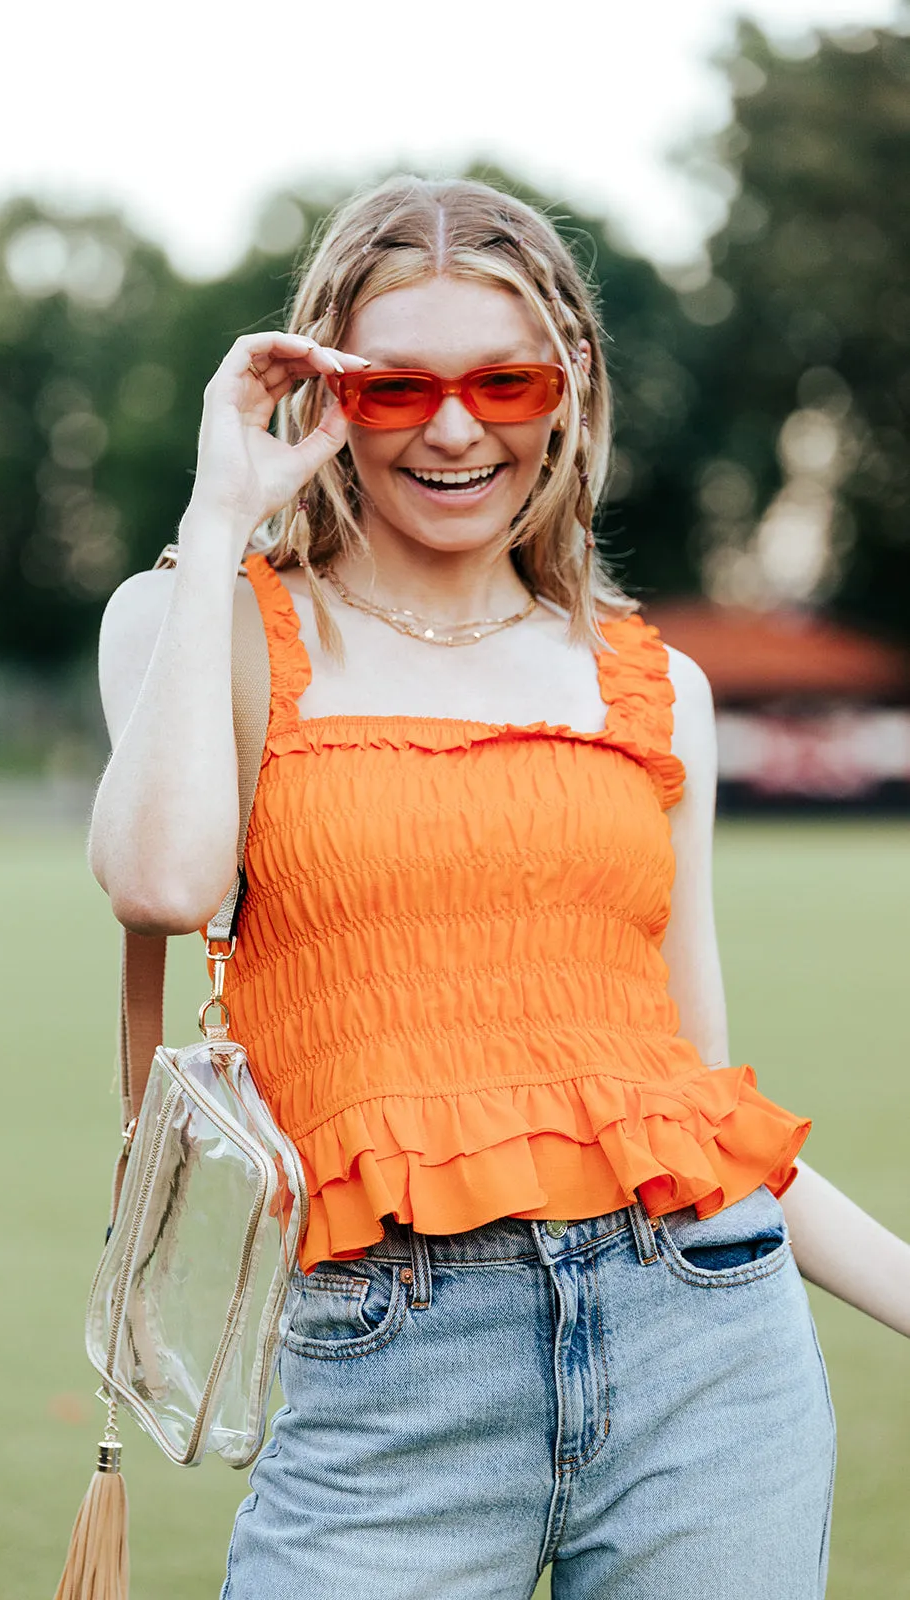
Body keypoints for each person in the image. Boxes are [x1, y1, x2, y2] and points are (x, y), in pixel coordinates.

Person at [87, 176, 909, 1599]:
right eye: (397, 387)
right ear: (325, 397)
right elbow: (160, 885)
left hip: (704, 1348)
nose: (455, 427)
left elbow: (694, 1100)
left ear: (567, 390)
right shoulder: (195, 620)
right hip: (385, 1369)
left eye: (502, 379)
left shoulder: (659, 685)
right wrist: (219, 513)